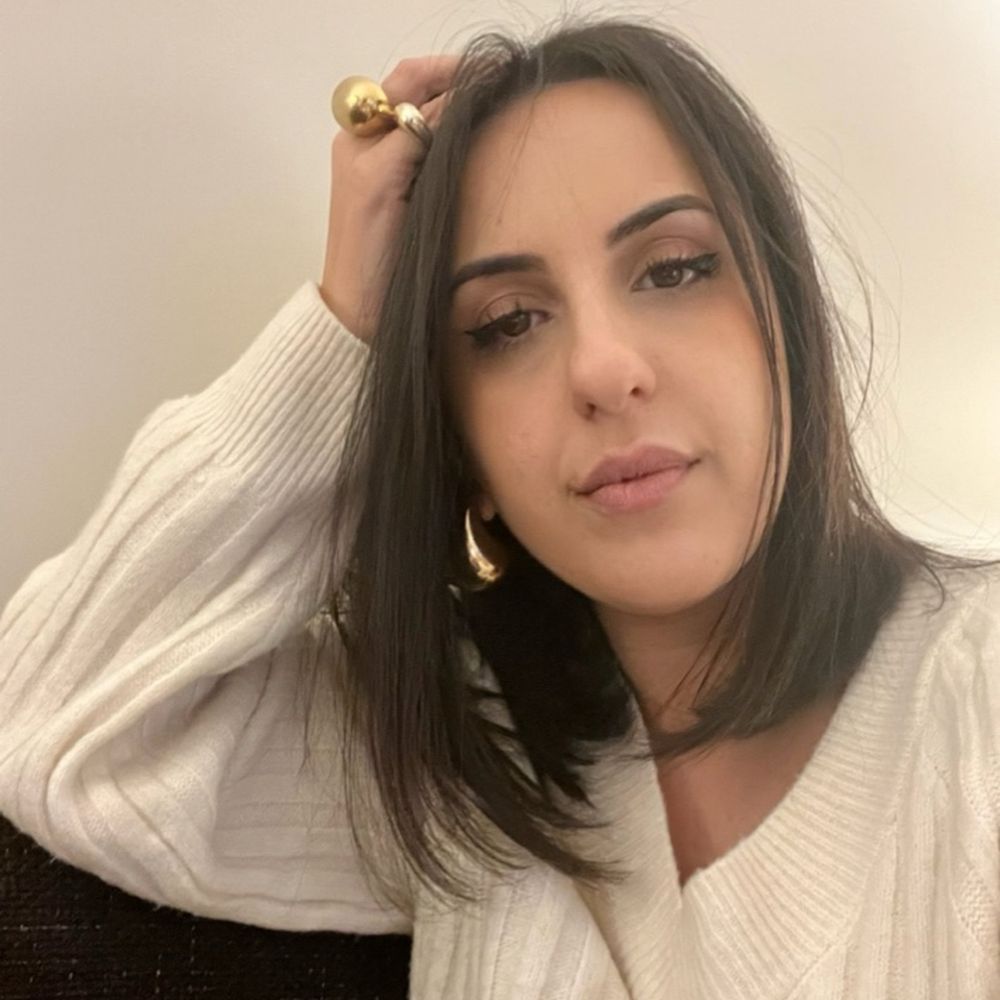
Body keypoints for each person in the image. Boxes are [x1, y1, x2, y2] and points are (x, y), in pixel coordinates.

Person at [2, 14, 999, 999]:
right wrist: (344, 321)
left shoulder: (976, 692)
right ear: (465, 453)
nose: (603, 369)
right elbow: (56, 729)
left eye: (673, 269)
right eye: (508, 322)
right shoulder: (466, 776)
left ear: (787, 332)